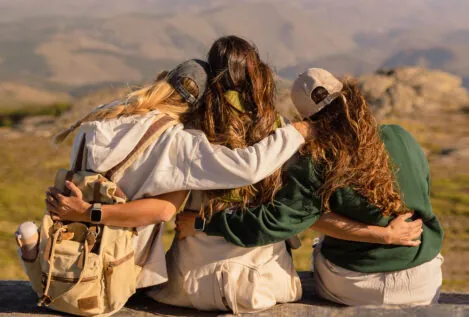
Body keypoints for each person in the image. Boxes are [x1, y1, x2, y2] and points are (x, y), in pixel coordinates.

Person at [22, 58, 314, 290]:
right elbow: (167, 208)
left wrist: (83, 213)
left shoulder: (101, 117)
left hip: (73, 246)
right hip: (116, 266)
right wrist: (295, 132)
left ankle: (37, 252)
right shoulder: (178, 141)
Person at [177, 68, 443, 306]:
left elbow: (271, 224)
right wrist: (385, 233)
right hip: (422, 280)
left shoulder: (317, 162)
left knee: (316, 238)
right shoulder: (401, 136)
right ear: (351, 100)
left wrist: (203, 224)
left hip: (357, 286)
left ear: (308, 121)